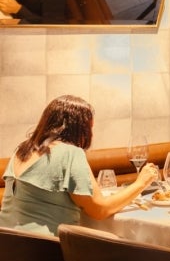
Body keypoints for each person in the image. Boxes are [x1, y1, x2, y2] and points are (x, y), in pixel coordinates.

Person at [0, 95, 158, 236]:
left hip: (9, 251)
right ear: (79, 129)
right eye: (90, 128)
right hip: (45, 253)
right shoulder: (70, 153)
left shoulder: (21, 150)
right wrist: (141, 182)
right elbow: (100, 210)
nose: (92, 134)